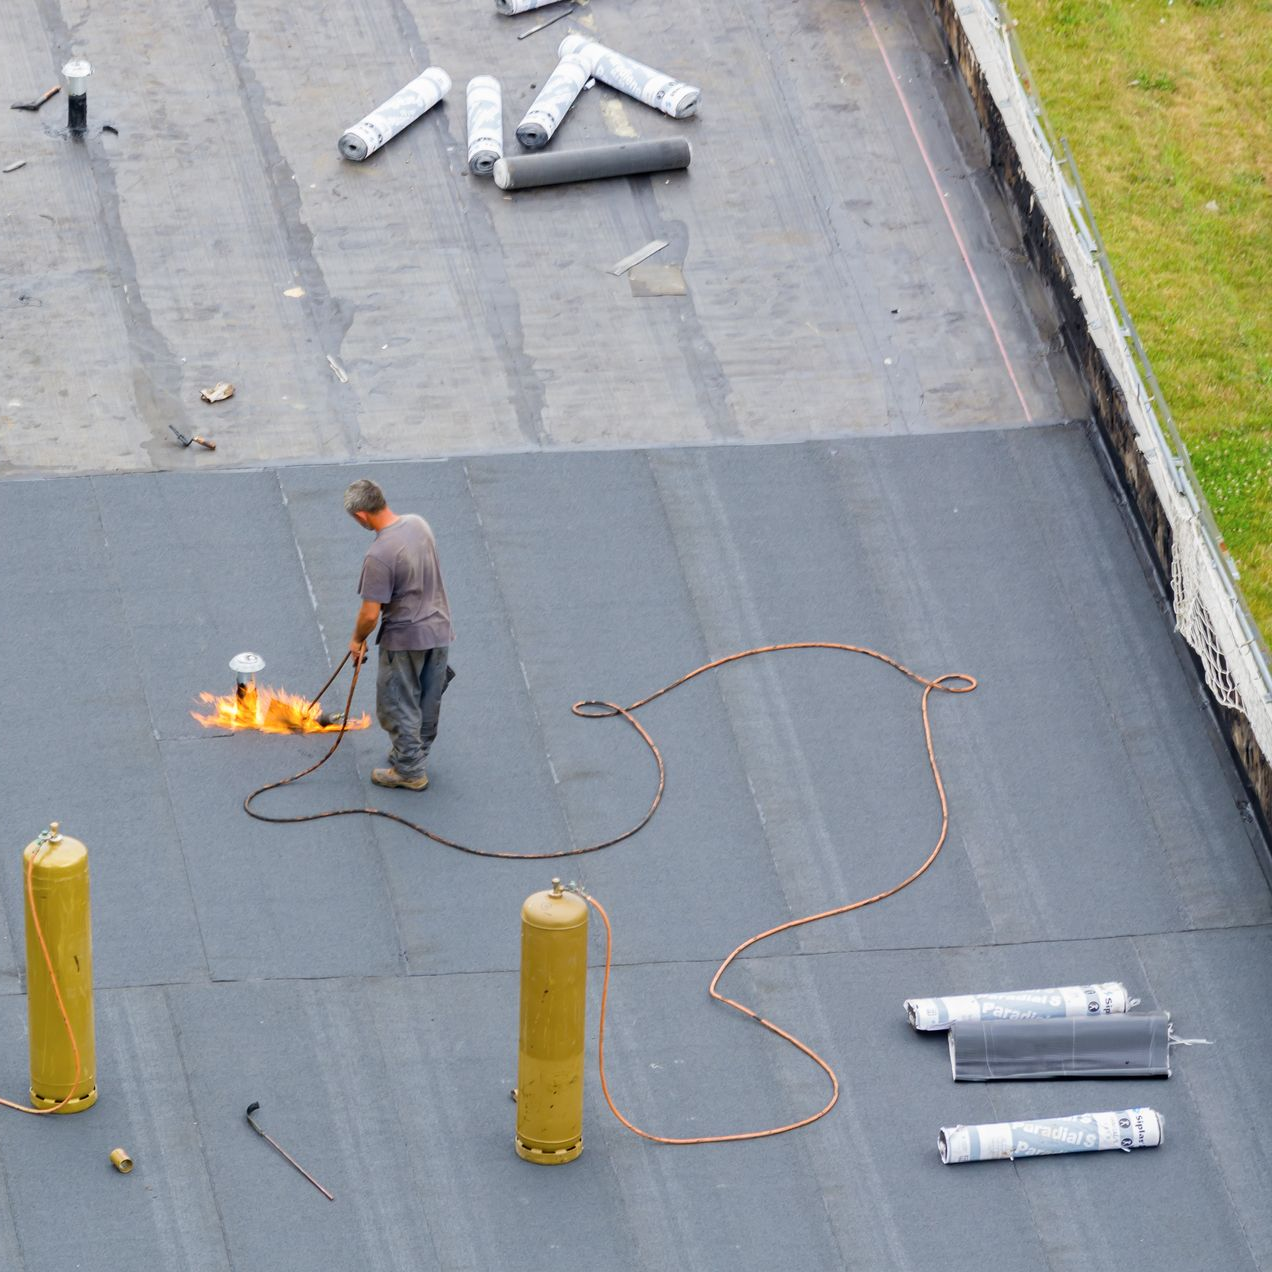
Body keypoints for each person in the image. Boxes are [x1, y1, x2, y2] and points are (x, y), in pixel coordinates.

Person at [344, 478, 454, 790]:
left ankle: (409, 771)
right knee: (428, 696)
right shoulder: (418, 524)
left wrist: (356, 640)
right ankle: (414, 751)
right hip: (440, 628)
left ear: (362, 515)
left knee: (398, 702)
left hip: (405, 639)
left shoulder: (379, 554)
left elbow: (369, 613)